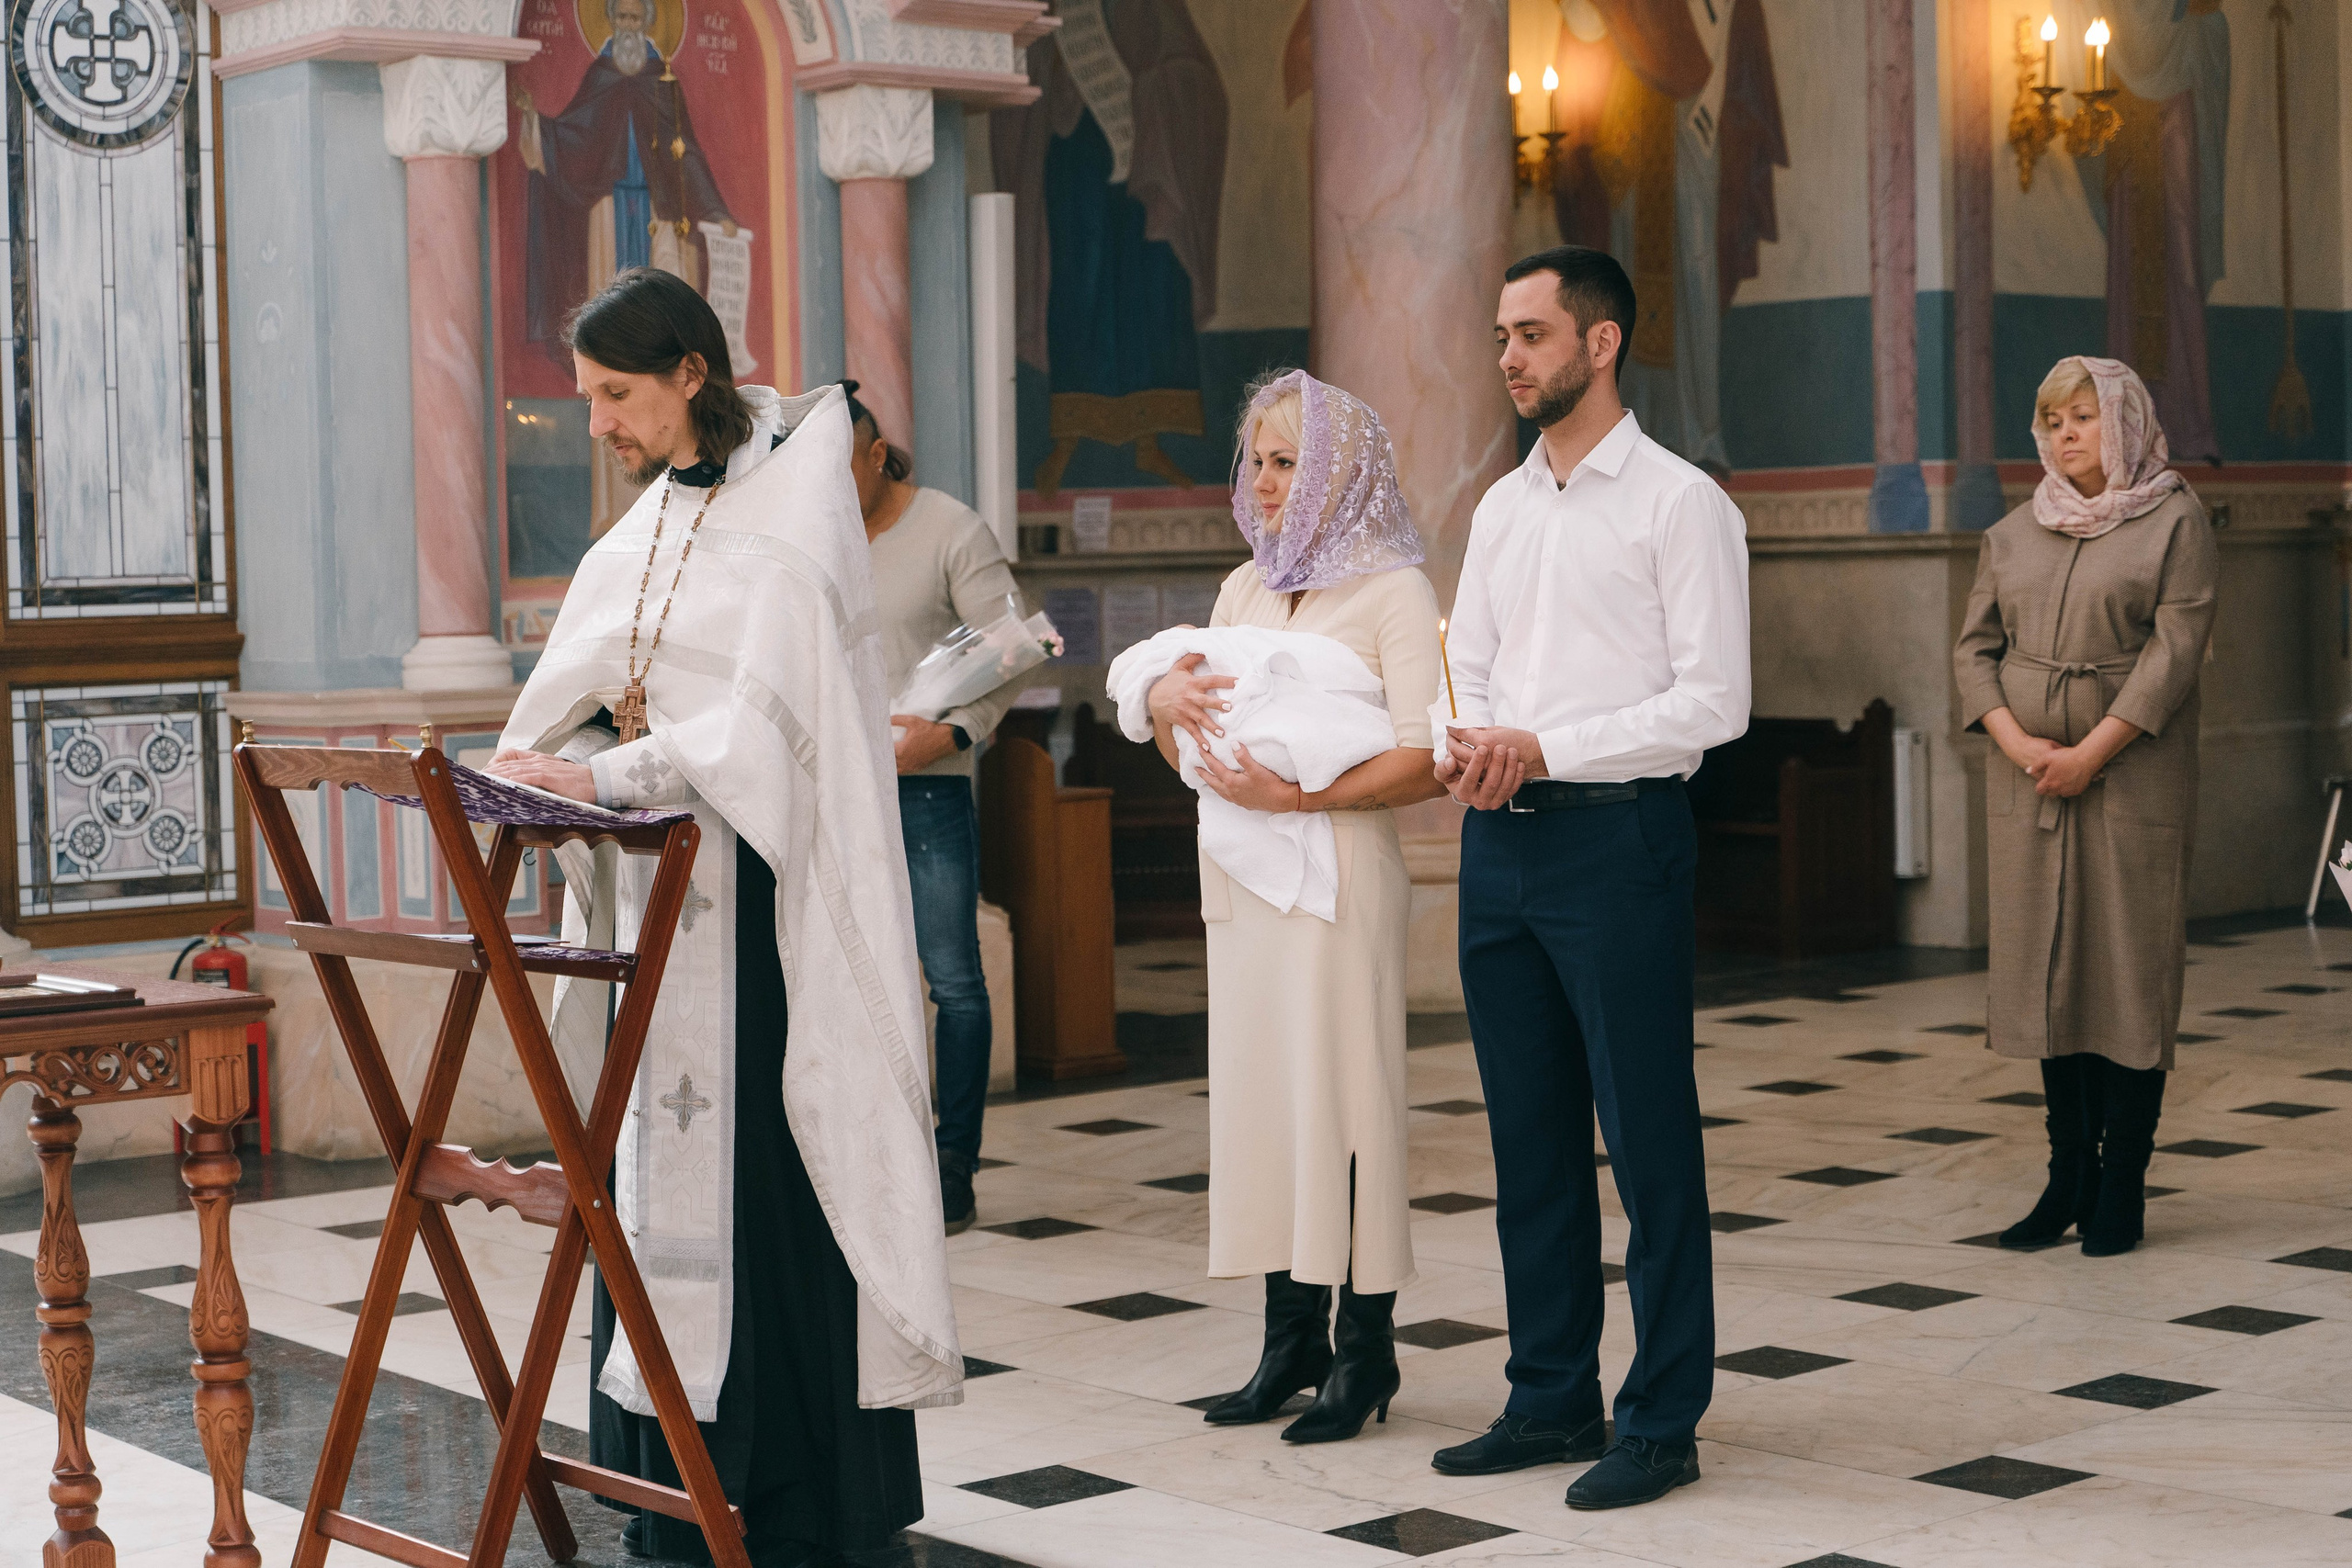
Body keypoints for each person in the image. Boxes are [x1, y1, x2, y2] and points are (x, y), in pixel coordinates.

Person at [487, 268, 961, 1565]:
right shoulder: (645, 526)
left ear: (692, 373)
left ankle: (793, 1498)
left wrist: (604, 770)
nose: (597, 423)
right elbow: (588, 683)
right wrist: (550, 757)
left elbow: (764, 728)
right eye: (586, 397)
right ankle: (668, 1491)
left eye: (616, 395)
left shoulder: (793, 525)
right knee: (648, 1190)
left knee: (763, 1179)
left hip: (754, 914)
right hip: (656, 903)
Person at [1432, 246, 1748, 1510]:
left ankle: (1661, 1416)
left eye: (1529, 332)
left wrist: (1546, 743)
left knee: (1647, 1139)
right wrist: (1479, 739)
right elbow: (1483, 662)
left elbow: (1713, 703)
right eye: (1502, 334)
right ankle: (1550, 1390)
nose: (1507, 355)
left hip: (1621, 841)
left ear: (1600, 342)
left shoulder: (1681, 503)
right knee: (1531, 1141)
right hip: (1501, 843)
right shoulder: (1503, 506)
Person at [1145, 369, 1445, 1444]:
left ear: (1341, 471)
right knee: (1266, 1103)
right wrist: (1158, 699)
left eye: (1289, 462)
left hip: (1338, 877)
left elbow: (1427, 757)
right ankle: (1289, 1345)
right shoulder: (1242, 589)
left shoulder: (1396, 593)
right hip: (1243, 877)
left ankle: (1365, 1355)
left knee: (1349, 1105)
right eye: (1259, 463)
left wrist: (1302, 793)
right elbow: (1189, 711)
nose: (1268, 484)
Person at [1955, 355, 2216, 1258]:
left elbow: (2173, 654)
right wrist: (2019, 743)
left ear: (2126, 422)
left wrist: (2091, 752)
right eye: (2053, 421)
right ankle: (2065, 1178)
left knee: (2126, 974)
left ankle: (2120, 1185)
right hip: (2027, 780)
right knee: (2048, 975)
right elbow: (1972, 652)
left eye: (2084, 418)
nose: (2066, 435)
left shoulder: (2174, 519)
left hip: (2130, 773)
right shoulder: (2012, 532)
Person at [847, 378, 1023, 1235]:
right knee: (852, 978)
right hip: (838, 794)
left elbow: (1011, 654)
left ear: (880, 457)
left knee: (951, 980)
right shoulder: (819, 541)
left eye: (846, 471)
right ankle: (875, 1160)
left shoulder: (951, 529)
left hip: (926, 789)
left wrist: (952, 736)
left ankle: (955, 1165)